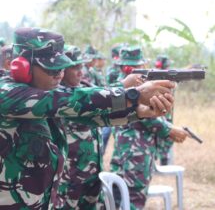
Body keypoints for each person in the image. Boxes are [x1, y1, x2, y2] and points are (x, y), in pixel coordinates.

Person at [0, 27, 175, 209]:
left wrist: (139, 111)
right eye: (51, 68)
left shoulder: (46, 91)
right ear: (21, 66)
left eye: (61, 67)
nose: (59, 74)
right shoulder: (6, 93)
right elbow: (67, 101)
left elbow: (86, 114)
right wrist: (132, 94)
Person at [108, 46, 190, 209]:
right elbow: (144, 114)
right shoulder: (132, 87)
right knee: (133, 199)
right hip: (136, 150)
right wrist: (169, 129)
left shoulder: (116, 85)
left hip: (127, 149)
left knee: (120, 198)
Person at [55, 45, 104, 209]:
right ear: (61, 70)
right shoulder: (57, 95)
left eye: (81, 66)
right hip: (69, 175)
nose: (80, 72)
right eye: (74, 68)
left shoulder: (84, 88)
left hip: (92, 170)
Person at [154, 54, 175, 165]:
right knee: (166, 133)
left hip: (164, 112)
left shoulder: (164, 77)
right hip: (160, 113)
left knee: (166, 134)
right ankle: (163, 159)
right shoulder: (158, 78)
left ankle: (163, 159)